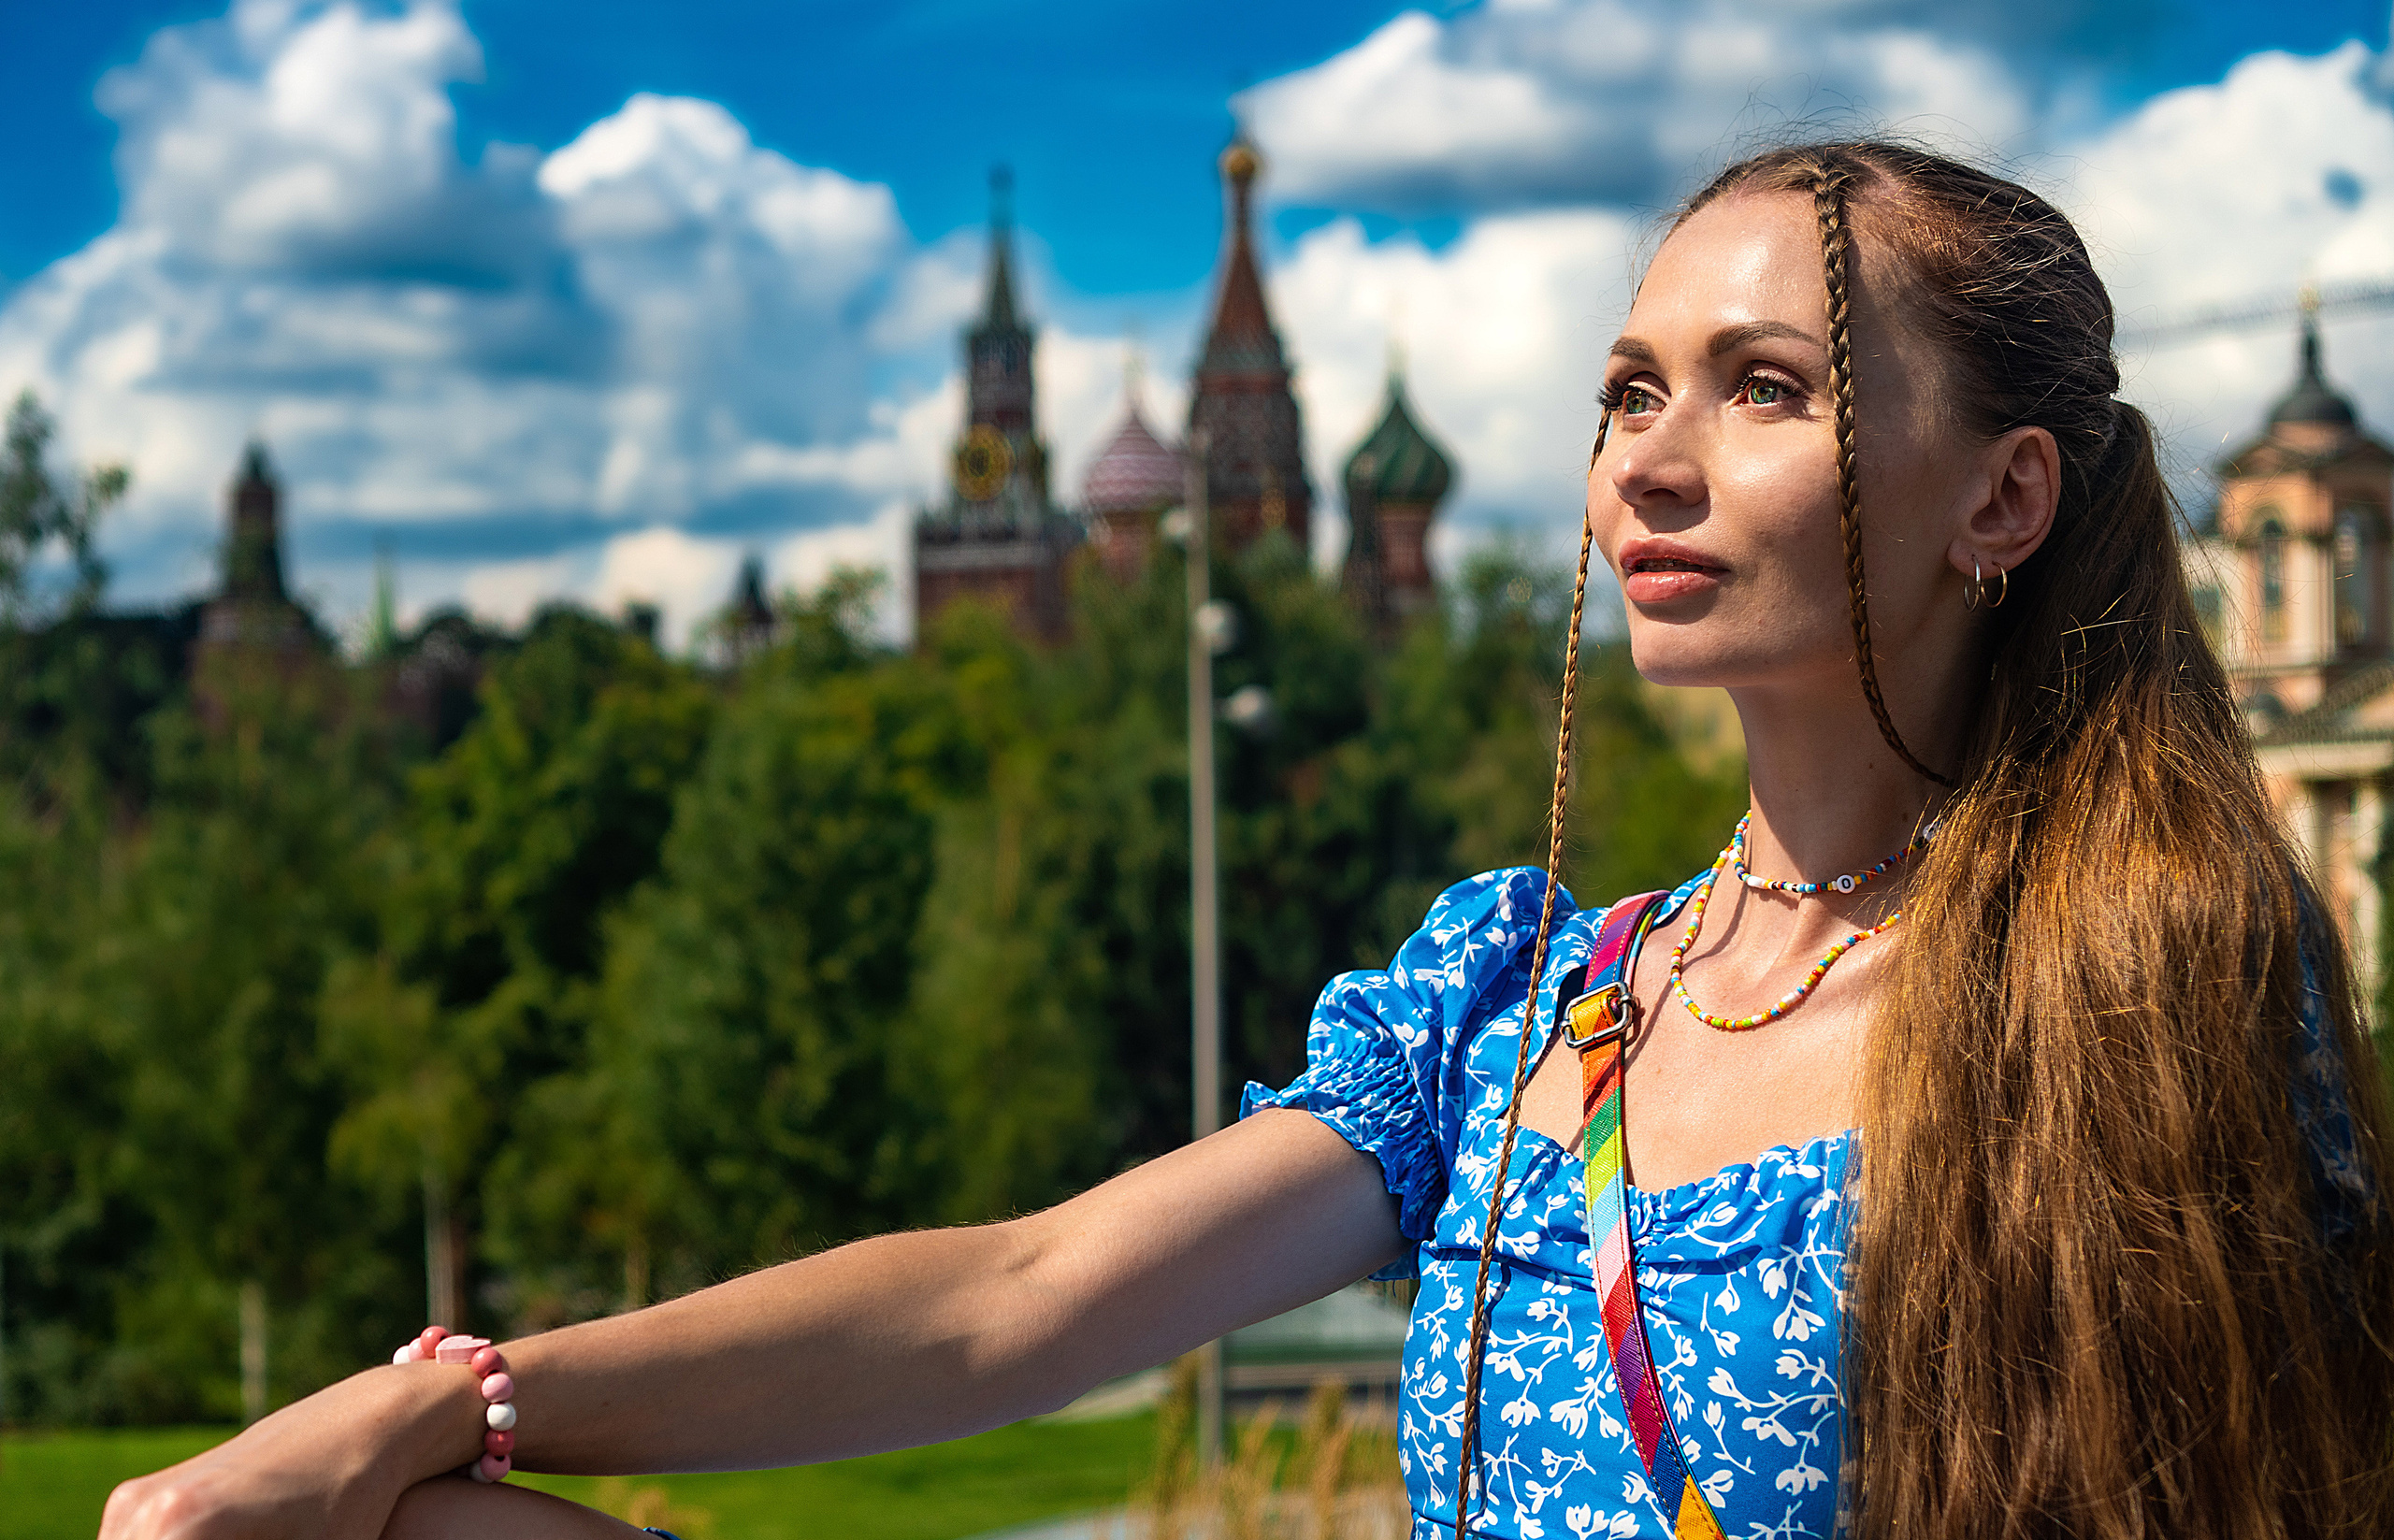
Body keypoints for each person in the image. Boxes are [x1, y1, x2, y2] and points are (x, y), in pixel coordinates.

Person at [101, 139, 2393, 1540]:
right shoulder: (1524, 1001)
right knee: (383, 1526)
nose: (1648, 465)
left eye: (1766, 387)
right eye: (1625, 391)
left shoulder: (2135, 962)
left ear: (2005, 496)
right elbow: (1011, 1300)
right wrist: (430, 1400)